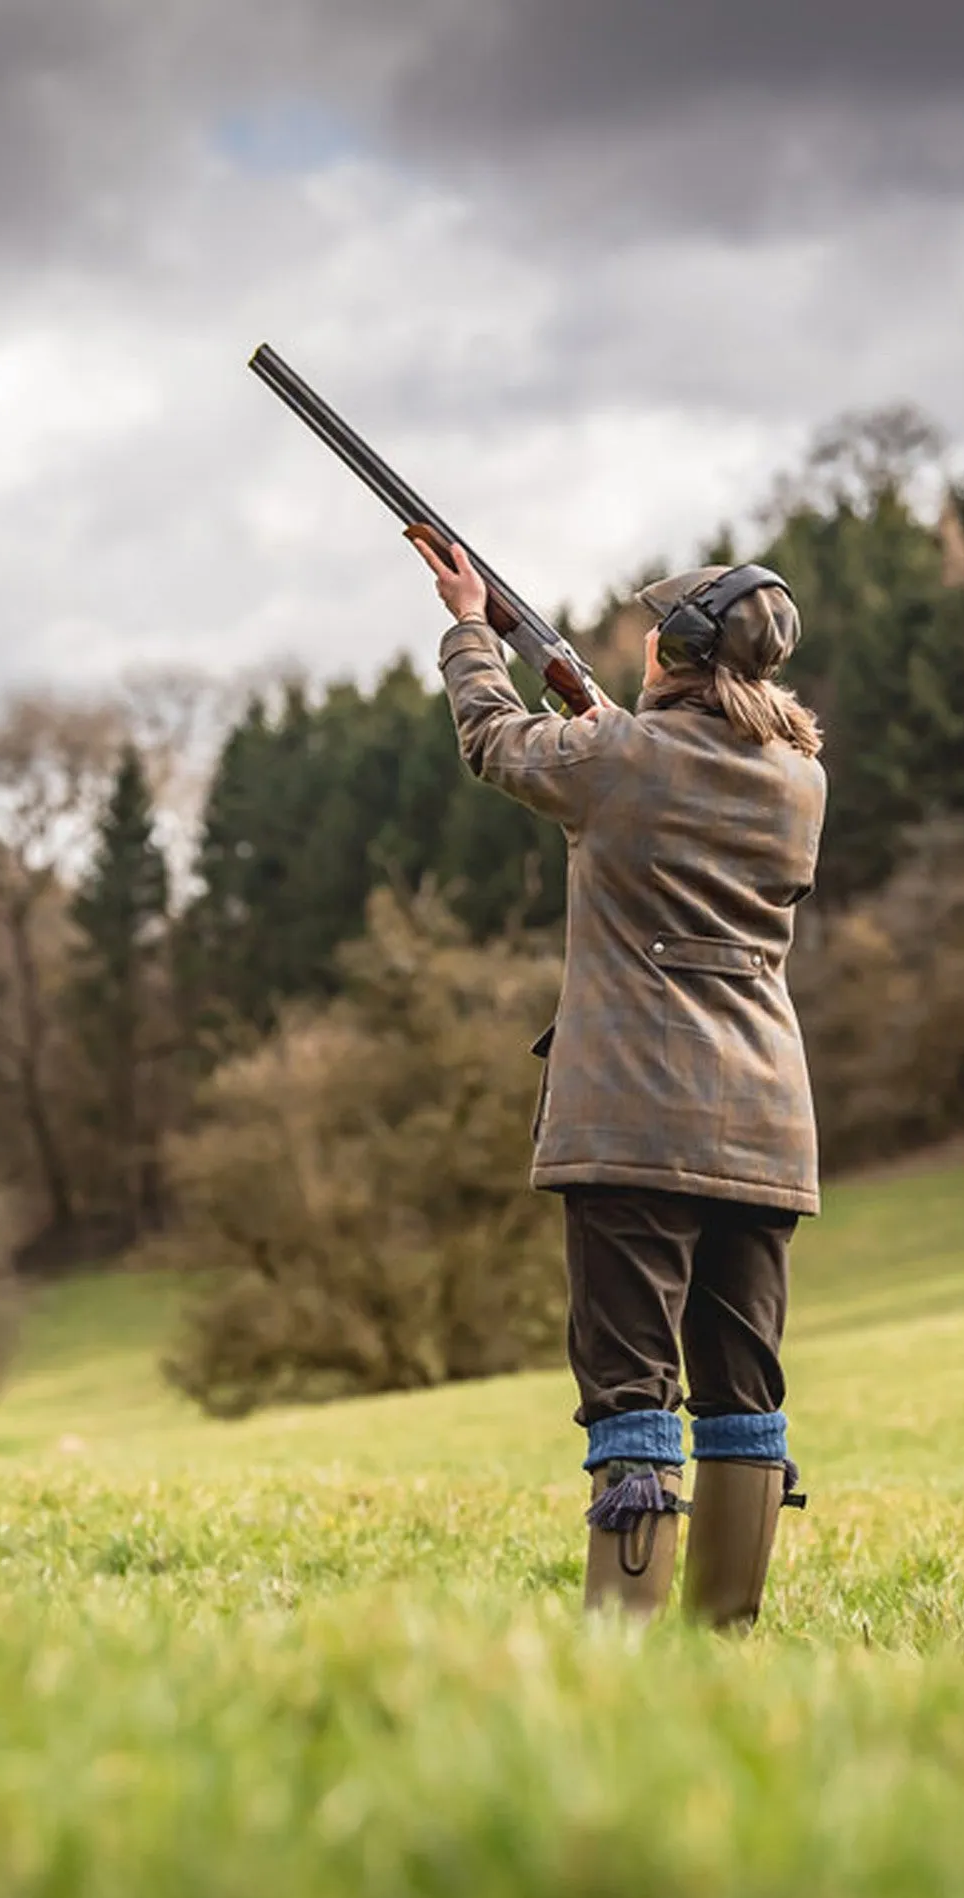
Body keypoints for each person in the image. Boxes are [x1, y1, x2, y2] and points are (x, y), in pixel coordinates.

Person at [412, 536, 826, 1629]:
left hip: (636, 1121)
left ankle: (626, 1650)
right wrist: (608, 720)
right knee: (743, 1389)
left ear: (672, 653)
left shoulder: (618, 759)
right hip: (765, 1128)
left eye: (654, 632)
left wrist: (466, 623)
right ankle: (722, 1633)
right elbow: (672, 770)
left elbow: (493, 742)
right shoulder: (799, 779)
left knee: (630, 1388)